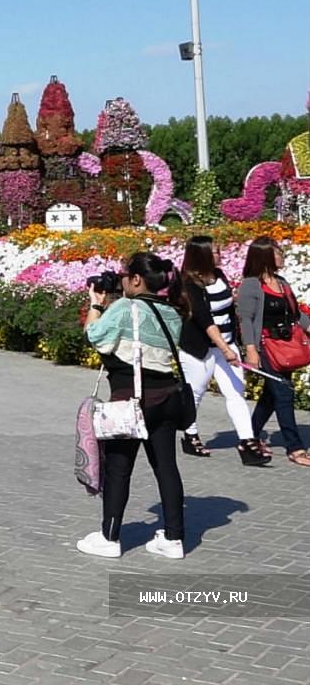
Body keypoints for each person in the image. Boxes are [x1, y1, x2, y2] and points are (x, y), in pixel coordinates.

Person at [78, 252, 188, 560]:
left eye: (125, 275)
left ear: (136, 279)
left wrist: (97, 305)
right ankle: (173, 538)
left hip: (131, 400)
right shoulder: (171, 313)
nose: (121, 279)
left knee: (118, 469)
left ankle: (109, 538)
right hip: (166, 398)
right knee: (166, 468)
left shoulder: (125, 308)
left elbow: (94, 336)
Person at [176, 235, 269, 465]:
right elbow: (204, 319)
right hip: (199, 349)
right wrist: (225, 349)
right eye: (216, 251)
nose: (220, 254)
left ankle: (247, 442)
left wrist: (234, 344)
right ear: (203, 255)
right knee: (195, 392)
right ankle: (190, 434)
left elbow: (228, 310)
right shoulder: (188, 283)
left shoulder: (220, 276)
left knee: (236, 392)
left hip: (227, 344)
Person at [235, 236, 310, 468]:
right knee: (284, 393)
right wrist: (250, 350)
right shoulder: (251, 285)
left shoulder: (282, 282)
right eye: (277, 252)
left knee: (272, 394)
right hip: (266, 346)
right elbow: (245, 319)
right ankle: (295, 448)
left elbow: (295, 314)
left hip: (285, 346)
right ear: (265, 256)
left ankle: (250, 436)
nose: (281, 256)